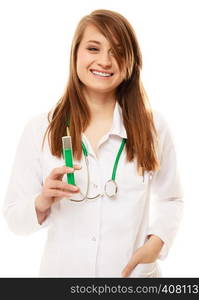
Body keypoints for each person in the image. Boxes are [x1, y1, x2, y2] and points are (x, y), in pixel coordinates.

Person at [3, 9, 184, 278]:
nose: (105, 61)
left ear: (132, 61)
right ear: (75, 53)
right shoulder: (42, 128)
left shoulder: (153, 127)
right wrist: (42, 200)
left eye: (118, 51)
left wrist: (156, 243)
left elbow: (172, 199)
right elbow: (14, 220)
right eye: (93, 48)